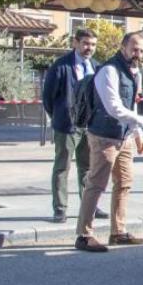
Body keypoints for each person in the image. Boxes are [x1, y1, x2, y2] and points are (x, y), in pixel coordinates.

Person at [74, 33, 143, 252]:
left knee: (125, 183)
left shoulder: (134, 72)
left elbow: (132, 104)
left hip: (125, 137)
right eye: (134, 49)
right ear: (123, 47)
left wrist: (137, 133)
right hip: (103, 136)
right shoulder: (108, 70)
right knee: (96, 184)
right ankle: (83, 235)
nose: (137, 54)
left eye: (141, 50)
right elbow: (113, 107)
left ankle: (118, 232)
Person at [41, 29, 107, 223]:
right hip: (67, 126)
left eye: (93, 45)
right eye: (86, 43)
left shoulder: (97, 67)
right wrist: (59, 117)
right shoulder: (61, 66)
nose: (90, 48)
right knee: (62, 167)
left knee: (88, 169)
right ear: (75, 43)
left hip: (90, 126)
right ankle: (60, 209)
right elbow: (48, 97)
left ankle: (90, 206)